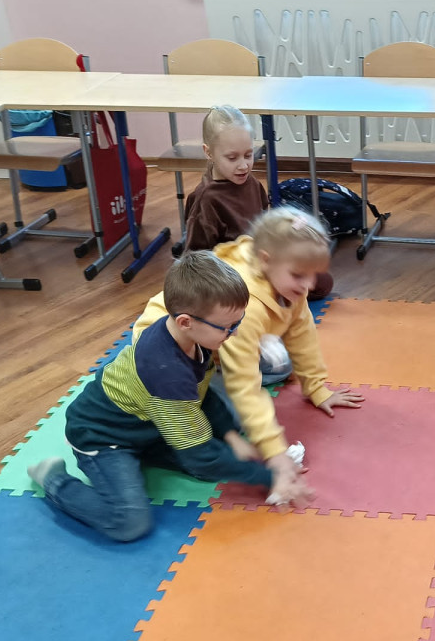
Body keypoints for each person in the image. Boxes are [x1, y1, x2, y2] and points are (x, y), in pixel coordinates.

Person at [27, 252, 309, 542]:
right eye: (228, 327)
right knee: (129, 522)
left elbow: (203, 394)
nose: (234, 334)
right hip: (102, 436)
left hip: (148, 426)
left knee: (221, 450)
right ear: (186, 321)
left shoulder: (192, 337)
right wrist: (268, 477)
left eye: (238, 323)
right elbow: (200, 456)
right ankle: (54, 479)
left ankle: (150, 452)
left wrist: (230, 435)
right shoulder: (167, 373)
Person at [135, 206, 363, 500]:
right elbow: (244, 385)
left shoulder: (286, 278)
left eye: (313, 275)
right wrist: (274, 453)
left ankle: (222, 369)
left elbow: (302, 334)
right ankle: (162, 435)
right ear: (266, 260)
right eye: (299, 275)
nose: (309, 285)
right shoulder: (247, 308)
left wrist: (317, 388)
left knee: (282, 366)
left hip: (217, 340)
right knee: (231, 419)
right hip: (172, 352)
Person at [184, 104, 333, 302]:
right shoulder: (206, 198)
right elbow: (196, 259)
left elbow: (264, 226)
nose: (243, 165)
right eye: (232, 158)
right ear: (209, 152)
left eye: (248, 155)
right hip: (232, 273)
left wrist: (291, 232)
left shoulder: (252, 183)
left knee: (322, 281)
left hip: (260, 258)